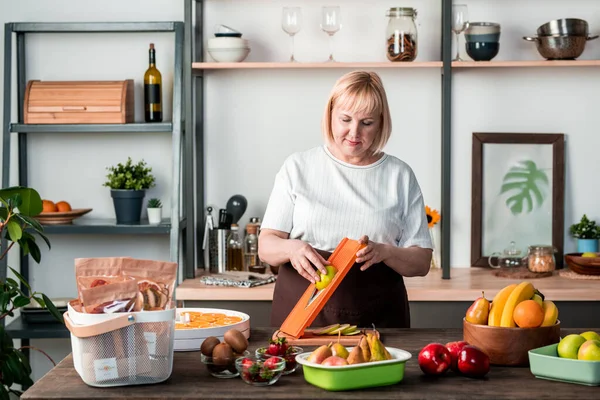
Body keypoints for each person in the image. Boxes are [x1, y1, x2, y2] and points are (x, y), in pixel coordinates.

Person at [258, 70, 433, 329]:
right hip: (301, 313)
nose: (354, 132)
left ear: (381, 123)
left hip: (377, 317)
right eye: (345, 119)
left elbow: (421, 262)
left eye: (367, 123)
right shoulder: (298, 167)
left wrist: (385, 252)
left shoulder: (399, 175)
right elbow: (266, 247)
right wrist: (292, 248)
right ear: (330, 115)